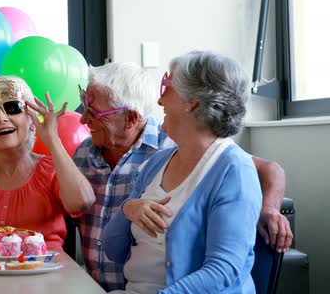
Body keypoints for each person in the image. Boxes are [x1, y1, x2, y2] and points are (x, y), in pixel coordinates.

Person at [72, 62, 291, 291]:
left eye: (167, 85)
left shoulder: (233, 168)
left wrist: (269, 210)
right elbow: (114, 249)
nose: (159, 100)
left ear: (192, 102)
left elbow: (223, 270)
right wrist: (129, 209)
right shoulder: (157, 162)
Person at [0, 76, 95, 250]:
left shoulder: (52, 170)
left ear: (32, 121)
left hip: (45, 273)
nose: (1, 118)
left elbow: (82, 202)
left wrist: (53, 139)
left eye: (12, 107)